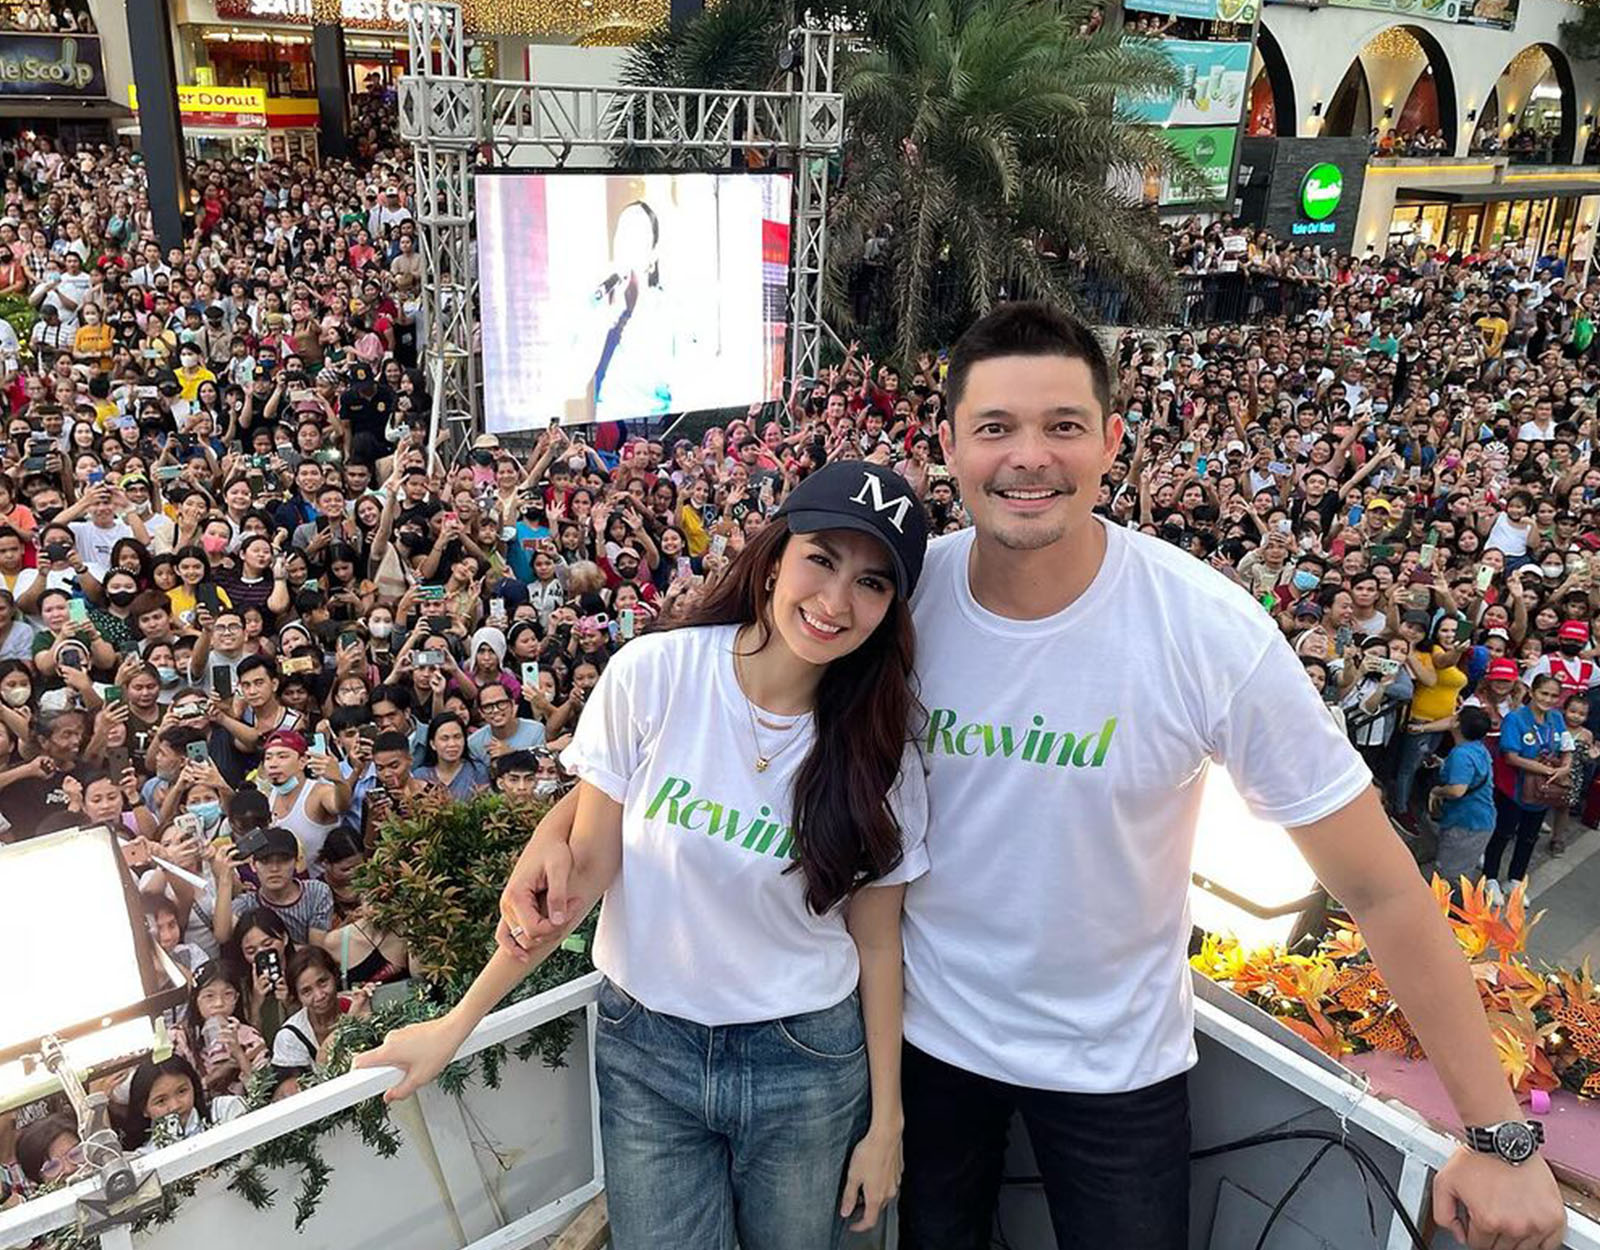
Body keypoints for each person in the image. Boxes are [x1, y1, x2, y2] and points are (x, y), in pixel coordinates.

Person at [493, 304, 1565, 1250]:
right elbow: (716, 719)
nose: (1028, 456)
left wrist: (1496, 1131)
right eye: (996, 427)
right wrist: (564, 826)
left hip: (1116, 1065)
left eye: (1061, 425)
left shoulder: (1208, 634)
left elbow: (1379, 883)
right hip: (924, 1048)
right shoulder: (898, 600)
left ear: (1110, 442)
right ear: (950, 446)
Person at [357, 461, 933, 1248]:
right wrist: (456, 1022)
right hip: (647, 1054)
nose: (835, 602)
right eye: (821, 559)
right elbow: (584, 872)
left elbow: (876, 940)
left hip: (808, 1061)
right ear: (772, 557)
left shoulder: (878, 747)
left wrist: (887, 1124)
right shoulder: (656, 675)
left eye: (872, 584)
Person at [1482, 672, 1572, 897]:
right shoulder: (1516, 718)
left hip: (1543, 791)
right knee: (1503, 833)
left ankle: (1515, 880)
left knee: (1529, 837)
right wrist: (1547, 769)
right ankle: (1490, 877)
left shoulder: (1557, 719)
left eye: (1553, 696)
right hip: (1515, 788)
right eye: (1544, 693)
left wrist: (1566, 766)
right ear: (1531, 692)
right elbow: (1511, 756)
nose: (1548, 699)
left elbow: (1566, 747)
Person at [1428, 705, 1499, 895]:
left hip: (1466, 823)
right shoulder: (1478, 749)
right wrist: (1443, 764)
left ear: (1458, 724)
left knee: (1450, 877)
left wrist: (1437, 791)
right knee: (1462, 871)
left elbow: (1457, 790)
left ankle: (1449, 916)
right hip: (1482, 820)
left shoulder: (1461, 754)